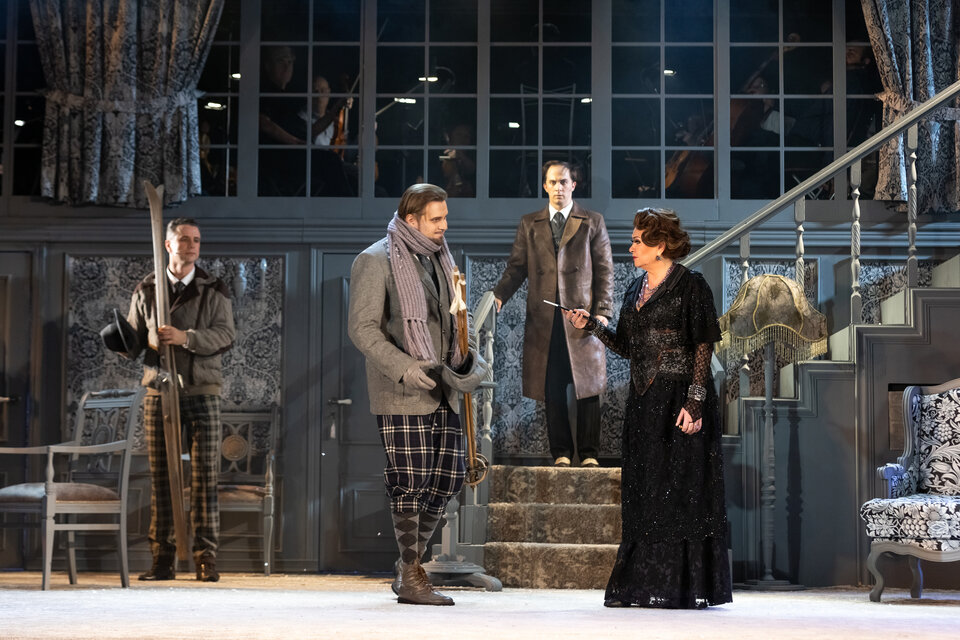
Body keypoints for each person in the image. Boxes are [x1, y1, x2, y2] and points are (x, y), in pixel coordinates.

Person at [566, 208, 732, 609]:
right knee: (646, 495)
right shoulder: (633, 289)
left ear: (660, 246)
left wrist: (695, 402)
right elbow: (628, 347)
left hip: (679, 401)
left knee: (680, 493)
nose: (631, 247)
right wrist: (592, 326)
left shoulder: (691, 285)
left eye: (638, 241)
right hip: (643, 405)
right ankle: (644, 584)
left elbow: (703, 346)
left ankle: (680, 586)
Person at [347, 183, 488, 606]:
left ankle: (407, 566)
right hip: (402, 390)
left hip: (445, 388)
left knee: (446, 480)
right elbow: (362, 329)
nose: (444, 226)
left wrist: (468, 359)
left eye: (445, 218)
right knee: (410, 479)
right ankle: (412, 572)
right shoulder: (375, 260)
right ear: (411, 220)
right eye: (436, 219)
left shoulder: (442, 260)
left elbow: (460, 322)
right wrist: (404, 367)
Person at [105, 217, 236, 582]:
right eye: (184, 239)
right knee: (162, 476)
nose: (191, 246)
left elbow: (226, 335)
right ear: (168, 245)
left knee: (205, 476)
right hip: (159, 390)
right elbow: (134, 342)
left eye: (196, 240)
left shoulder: (213, 288)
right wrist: (127, 340)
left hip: (202, 390)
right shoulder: (147, 288)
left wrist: (185, 337)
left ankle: (205, 558)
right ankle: (162, 558)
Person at [492, 160, 614, 467]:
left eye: (563, 182)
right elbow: (516, 268)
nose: (558, 187)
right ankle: (561, 453)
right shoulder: (529, 223)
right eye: (552, 182)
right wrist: (499, 295)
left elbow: (604, 270)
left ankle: (589, 454)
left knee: (588, 387)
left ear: (574, 185)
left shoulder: (592, 221)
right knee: (553, 387)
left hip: (582, 317)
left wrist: (602, 312)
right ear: (545, 186)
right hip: (545, 320)